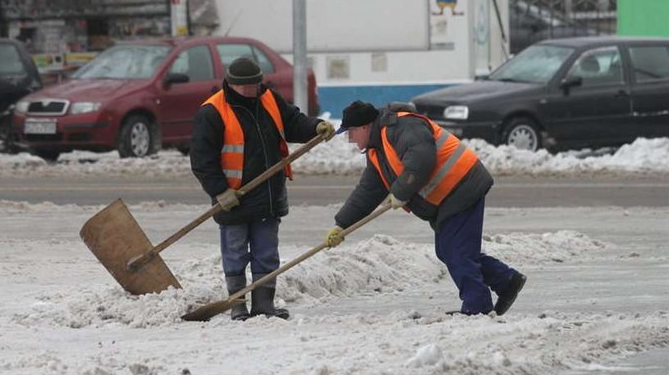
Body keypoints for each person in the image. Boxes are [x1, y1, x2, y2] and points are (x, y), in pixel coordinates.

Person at [324, 100, 526, 316]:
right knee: (450, 250)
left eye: (350, 132)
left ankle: (477, 307)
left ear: (364, 127)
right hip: (450, 195)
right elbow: (368, 191)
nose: (349, 139)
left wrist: (401, 191)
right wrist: (342, 224)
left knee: (456, 252)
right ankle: (506, 280)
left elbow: (421, 158)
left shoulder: (401, 127)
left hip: (463, 185)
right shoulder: (377, 150)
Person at [191, 57, 335, 321]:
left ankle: (264, 304)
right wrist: (220, 191)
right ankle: (237, 305)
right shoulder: (212, 112)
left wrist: (314, 127)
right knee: (235, 253)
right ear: (230, 84)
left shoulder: (269, 99)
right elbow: (202, 160)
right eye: (242, 86)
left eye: (253, 85)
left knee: (266, 252)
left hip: (268, 193)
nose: (249, 91)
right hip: (233, 198)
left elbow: (293, 122)